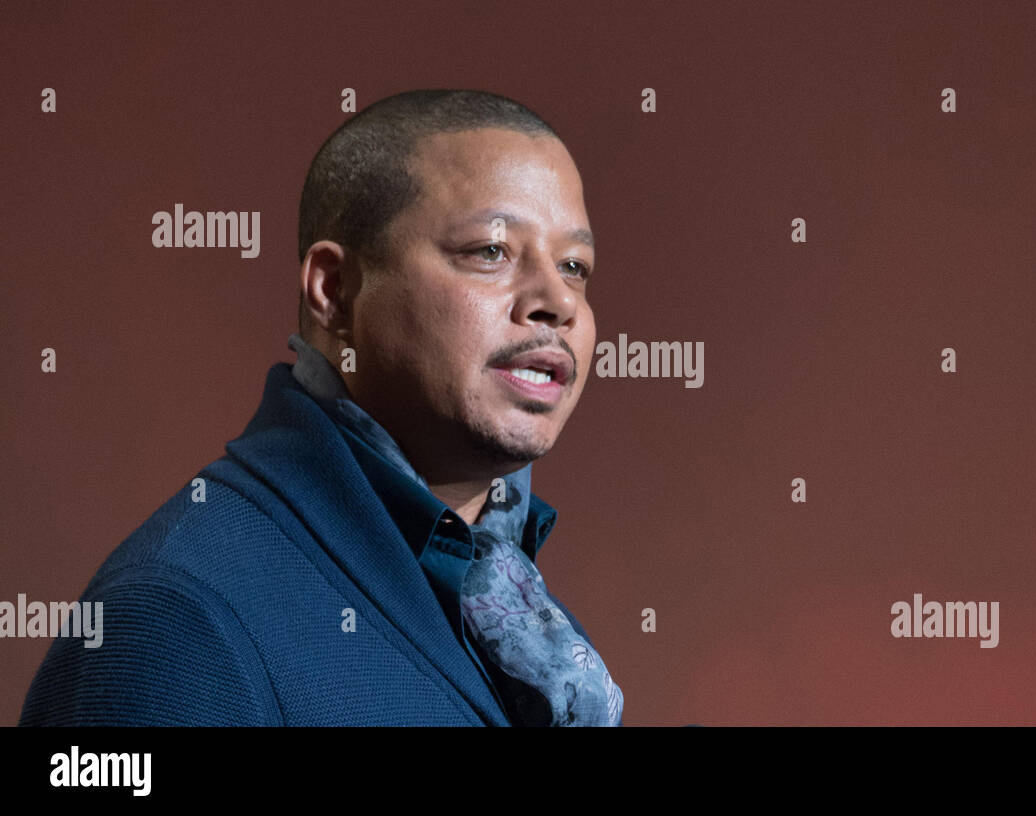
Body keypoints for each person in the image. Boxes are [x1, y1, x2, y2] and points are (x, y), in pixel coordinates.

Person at [21, 89, 623, 726]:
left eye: (575, 265)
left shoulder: (514, 619)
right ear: (334, 293)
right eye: (490, 252)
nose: (559, 301)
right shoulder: (176, 623)